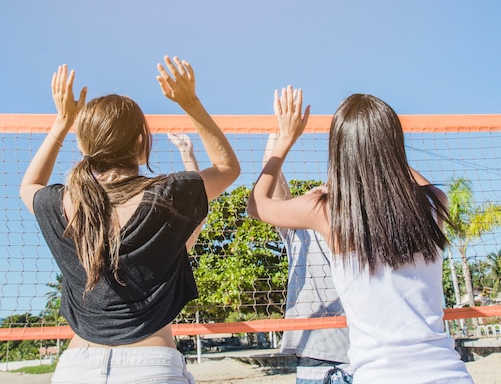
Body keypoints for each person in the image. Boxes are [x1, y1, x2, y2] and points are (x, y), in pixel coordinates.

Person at [20, 57, 240, 384]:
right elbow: (227, 167)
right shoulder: (169, 195)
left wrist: (62, 122)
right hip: (151, 367)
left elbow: (28, 186)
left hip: (77, 369)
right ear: (141, 141)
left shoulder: (62, 203)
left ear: (83, 146)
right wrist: (190, 103)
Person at [247, 87, 473, 384]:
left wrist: (286, 139)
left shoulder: (328, 211)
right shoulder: (434, 202)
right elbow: (403, 177)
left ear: (340, 150)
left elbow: (256, 205)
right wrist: (382, 148)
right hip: (449, 374)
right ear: (393, 142)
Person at [261, 134, 350, 384]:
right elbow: (272, 191)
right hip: (316, 354)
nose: (325, 190)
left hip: (366, 350)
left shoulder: (359, 231)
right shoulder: (299, 231)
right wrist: (277, 138)